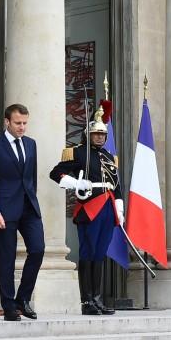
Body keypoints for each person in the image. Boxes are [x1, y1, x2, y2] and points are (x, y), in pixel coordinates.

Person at [50, 106, 122, 315]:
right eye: (96, 134)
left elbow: (116, 184)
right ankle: (86, 301)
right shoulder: (78, 153)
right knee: (88, 251)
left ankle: (97, 299)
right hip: (89, 206)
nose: (99, 138)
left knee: (100, 253)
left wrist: (119, 206)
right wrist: (75, 184)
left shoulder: (109, 156)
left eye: (102, 134)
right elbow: (56, 173)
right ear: (88, 134)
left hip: (108, 207)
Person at [0, 103, 44, 321]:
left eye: (25, 123)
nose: (22, 127)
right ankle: (9, 306)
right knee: (7, 259)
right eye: (18, 123)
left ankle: (22, 299)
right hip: (4, 210)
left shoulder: (31, 144)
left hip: (29, 208)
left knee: (38, 249)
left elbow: (31, 178)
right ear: (7, 122)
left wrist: (32, 199)